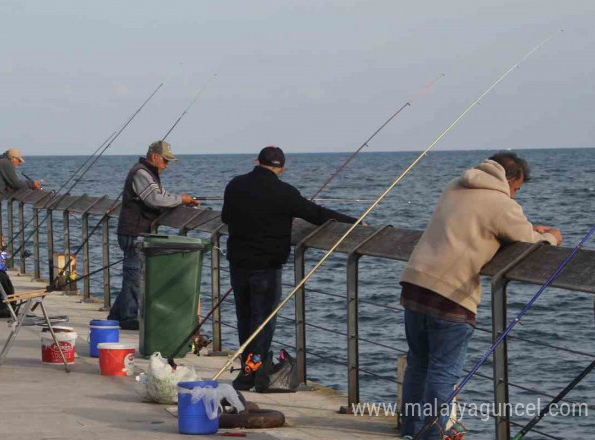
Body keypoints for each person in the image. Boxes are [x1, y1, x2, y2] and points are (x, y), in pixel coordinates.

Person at [398, 152, 562, 440]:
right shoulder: (501, 204)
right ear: (509, 180)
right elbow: (525, 238)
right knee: (443, 372)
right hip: (451, 292)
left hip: (415, 283)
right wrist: (551, 237)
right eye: (517, 189)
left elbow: (472, 224)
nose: (515, 195)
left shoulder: (454, 186)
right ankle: (432, 436)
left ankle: (411, 432)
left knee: (418, 364)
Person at [221, 145, 358, 390]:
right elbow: (316, 214)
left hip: (238, 264)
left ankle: (248, 369)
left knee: (245, 319)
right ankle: (251, 374)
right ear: (281, 167)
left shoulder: (235, 185)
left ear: (257, 160)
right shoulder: (285, 192)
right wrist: (356, 222)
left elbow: (225, 218)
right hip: (267, 266)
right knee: (262, 322)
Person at [107, 141, 199, 330]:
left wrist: (181, 202)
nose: (166, 165)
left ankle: (116, 316)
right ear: (154, 157)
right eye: (165, 161)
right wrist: (180, 199)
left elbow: (161, 195)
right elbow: (155, 199)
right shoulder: (141, 173)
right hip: (133, 231)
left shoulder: (148, 173)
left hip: (136, 230)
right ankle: (126, 317)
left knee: (132, 275)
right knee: (133, 275)